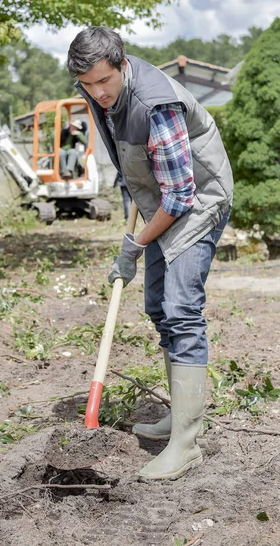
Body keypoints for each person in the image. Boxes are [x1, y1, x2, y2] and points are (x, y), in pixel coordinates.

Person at [67, 26, 233, 481]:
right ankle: (178, 415)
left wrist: (134, 247)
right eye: (88, 85)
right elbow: (134, 161)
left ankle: (187, 442)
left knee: (181, 310)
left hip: (198, 198)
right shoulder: (99, 91)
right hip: (160, 199)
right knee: (158, 307)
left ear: (122, 66)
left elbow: (181, 196)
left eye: (105, 81)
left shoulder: (155, 104)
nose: (98, 93)